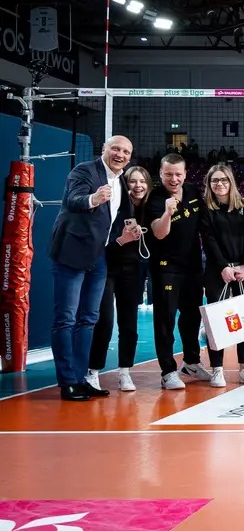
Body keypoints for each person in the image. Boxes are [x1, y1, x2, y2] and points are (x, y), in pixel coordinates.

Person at [50, 135, 139, 401]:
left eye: (126, 151)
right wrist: (94, 198)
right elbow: (73, 200)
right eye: (116, 149)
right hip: (71, 253)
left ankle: (81, 378)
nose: (120, 154)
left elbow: (116, 219)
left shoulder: (121, 180)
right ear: (104, 149)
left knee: (89, 319)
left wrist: (127, 232)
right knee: (66, 319)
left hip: (98, 256)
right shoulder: (84, 171)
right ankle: (68, 382)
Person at [146, 153, 212, 390]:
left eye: (177, 174)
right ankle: (167, 371)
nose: (173, 179)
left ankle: (191, 362)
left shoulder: (193, 192)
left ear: (185, 174)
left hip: (192, 267)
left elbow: (205, 224)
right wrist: (168, 213)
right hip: (166, 268)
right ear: (160, 174)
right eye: (168, 174)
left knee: (192, 316)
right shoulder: (155, 198)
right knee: (165, 319)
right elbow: (159, 233)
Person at [88, 165, 152, 393]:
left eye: (142, 181)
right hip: (107, 268)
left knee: (129, 323)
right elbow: (102, 245)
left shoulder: (151, 208)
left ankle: (125, 371)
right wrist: (121, 240)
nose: (138, 186)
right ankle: (93, 371)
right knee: (104, 321)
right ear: (125, 185)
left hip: (133, 271)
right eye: (133, 181)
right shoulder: (114, 206)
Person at [199, 164, 244, 387]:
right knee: (217, 320)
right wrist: (223, 266)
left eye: (223, 180)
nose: (219, 184)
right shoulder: (206, 209)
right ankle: (217, 369)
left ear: (231, 181)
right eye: (215, 180)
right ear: (209, 184)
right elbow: (209, 240)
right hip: (218, 270)